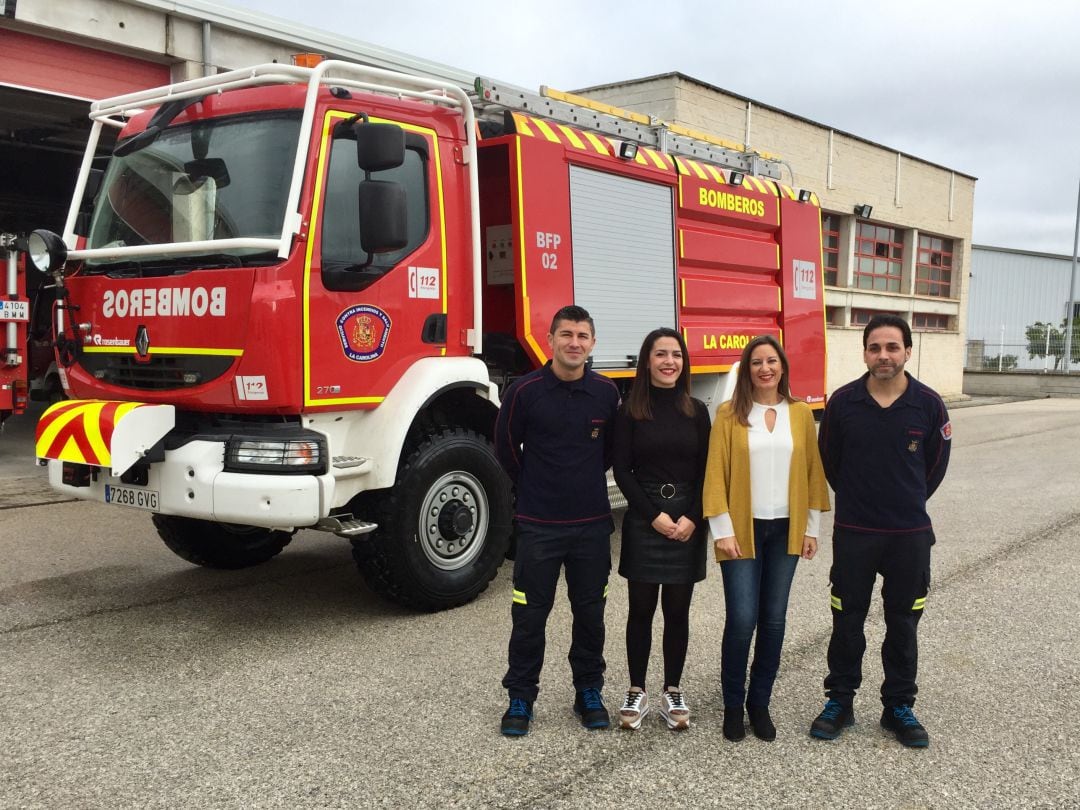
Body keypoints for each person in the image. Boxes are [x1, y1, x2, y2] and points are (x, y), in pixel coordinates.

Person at [809, 313, 951, 748]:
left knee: (903, 623)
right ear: (865, 352)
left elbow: (934, 467)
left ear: (908, 351)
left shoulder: (928, 405)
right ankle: (841, 700)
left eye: (892, 347)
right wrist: (861, 500)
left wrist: (903, 503)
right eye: (875, 347)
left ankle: (898, 706)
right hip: (855, 534)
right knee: (847, 620)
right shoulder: (843, 403)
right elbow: (830, 461)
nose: (884, 355)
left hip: (908, 537)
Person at [495, 305, 621, 737]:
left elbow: (608, 453)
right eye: (566, 334)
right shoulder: (525, 392)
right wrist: (534, 487)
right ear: (550, 340)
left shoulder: (606, 393)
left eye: (582, 336)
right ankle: (520, 696)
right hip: (538, 526)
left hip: (591, 527)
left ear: (592, 343)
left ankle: (588, 690)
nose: (574, 343)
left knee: (591, 615)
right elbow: (506, 449)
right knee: (529, 617)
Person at [703, 335, 830, 742]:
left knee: (773, 621)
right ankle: (732, 706)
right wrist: (722, 530)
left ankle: (760, 704)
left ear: (782, 367)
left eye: (771, 361)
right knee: (742, 620)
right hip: (742, 529)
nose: (764, 368)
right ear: (747, 368)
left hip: (786, 530)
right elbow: (715, 475)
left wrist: (811, 528)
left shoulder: (799, 414)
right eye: (756, 362)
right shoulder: (729, 414)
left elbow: (813, 473)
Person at [612, 328, 711, 731]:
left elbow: (709, 470)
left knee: (677, 611)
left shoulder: (697, 410)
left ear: (684, 362)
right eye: (660, 354)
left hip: (688, 514)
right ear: (647, 360)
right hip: (645, 515)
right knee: (640, 610)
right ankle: (637, 689)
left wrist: (693, 516)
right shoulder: (630, 410)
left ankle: (673, 690)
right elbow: (622, 469)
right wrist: (653, 514)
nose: (669, 361)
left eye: (676, 354)